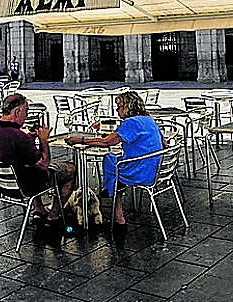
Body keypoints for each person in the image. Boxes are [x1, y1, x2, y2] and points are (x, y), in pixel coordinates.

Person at [65, 90, 162, 229]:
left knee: (109, 159)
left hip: (138, 171)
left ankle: (115, 207)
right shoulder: (149, 120)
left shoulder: (131, 122)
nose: (117, 110)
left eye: (119, 107)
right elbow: (164, 144)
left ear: (127, 107)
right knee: (113, 161)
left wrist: (80, 139)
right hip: (152, 168)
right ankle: (109, 190)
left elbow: (106, 142)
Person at [0, 92, 75, 223]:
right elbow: (44, 164)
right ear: (18, 111)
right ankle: (54, 214)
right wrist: (44, 140)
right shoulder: (18, 137)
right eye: (26, 112)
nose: (26, 116)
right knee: (70, 169)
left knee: (27, 163)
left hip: (2, 184)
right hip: (24, 186)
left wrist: (30, 138)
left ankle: (39, 209)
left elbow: (13, 149)